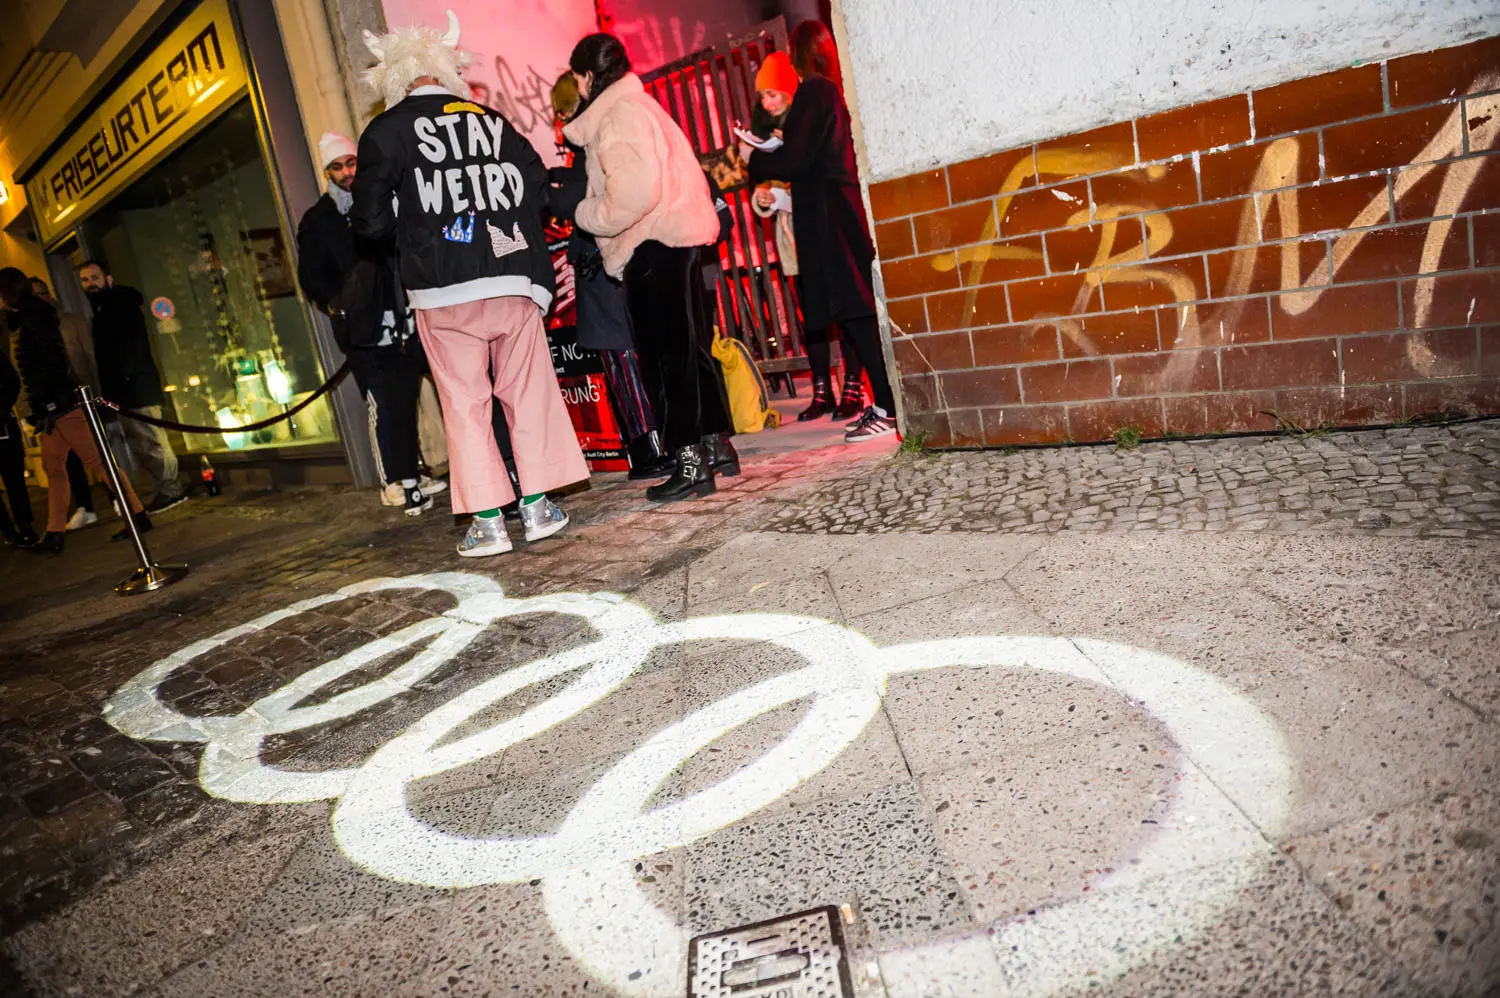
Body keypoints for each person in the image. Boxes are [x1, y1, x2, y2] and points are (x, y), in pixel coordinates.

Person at [351, 11, 587, 557]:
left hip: (443, 286)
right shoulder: (493, 120)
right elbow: (537, 190)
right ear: (447, 71)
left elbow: (370, 223)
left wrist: (407, 218)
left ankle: (487, 522)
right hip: (514, 276)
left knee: (464, 403)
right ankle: (538, 506)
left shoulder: (386, 131)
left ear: (393, 78)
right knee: (527, 395)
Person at [564, 32, 739, 503]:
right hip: (681, 237)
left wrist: (584, 214)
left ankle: (688, 463)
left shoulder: (617, 116)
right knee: (689, 349)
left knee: (665, 358)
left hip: (651, 242)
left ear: (586, 77)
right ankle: (714, 444)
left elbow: (633, 196)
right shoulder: (645, 106)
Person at [745, 22, 898, 442]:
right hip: (837, 209)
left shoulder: (814, 91)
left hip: (830, 216)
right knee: (854, 312)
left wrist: (756, 161)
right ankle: (886, 403)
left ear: (799, 53)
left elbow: (793, 158)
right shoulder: (830, 89)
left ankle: (887, 405)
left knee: (856, 311)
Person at [297, 131, 448, 517]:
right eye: (338, 166)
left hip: (400, 312)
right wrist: (340, 305)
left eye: (351, 163)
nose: (347, 172)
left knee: (404, 395)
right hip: (362, 326)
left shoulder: (382, 201)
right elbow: (312, 276)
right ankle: (391, 481)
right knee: (381, 400)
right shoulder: (318, 220)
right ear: (326, 172)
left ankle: (410, 471)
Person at [548, 72, 673, 482]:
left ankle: (650, 447)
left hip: (605, 270)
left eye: (562, 114)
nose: (559, 124)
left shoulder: (595, 146)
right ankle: (651, 446)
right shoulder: (591, 147)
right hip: (605, 273)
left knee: (627, 362)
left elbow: (582, 199)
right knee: (627, 362)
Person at [748, 52, 866, 423]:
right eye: (762, 96)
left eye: (773, 94)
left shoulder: (808, 118)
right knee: (811, 317)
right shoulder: (767, 133)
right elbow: (763, 188)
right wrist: (764, 200)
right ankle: (820, 391)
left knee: (846, 311)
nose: (767, 104)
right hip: (792, 238)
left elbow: (812, 175)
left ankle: (852, 386)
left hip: (820, 227)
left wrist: (783, 190)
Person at [0, 267, 149, 553]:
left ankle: (138, 514)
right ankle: (55, 533)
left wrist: (47, 402)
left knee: (97, 461)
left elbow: (52, 363)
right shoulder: (20, 319)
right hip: (49, 410)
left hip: (60, 406)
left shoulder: (35, 318)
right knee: (54, 468)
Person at [78, 261, 189, 508]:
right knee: (142, 444)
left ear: (108, 278)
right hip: (125, 392)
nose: (90, 284)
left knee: (151, 442)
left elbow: (133, 346)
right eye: (85, 280)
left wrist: (124, 378)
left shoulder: (120, 305)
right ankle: (165, 490)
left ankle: (172, 490)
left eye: (94, 277)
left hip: (136, 389)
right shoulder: (103, 309)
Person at [31, 276, 99, 529]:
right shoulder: (30, 328)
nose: (40, 299)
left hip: (80, 398)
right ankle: (84, 507)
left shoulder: (71, 323)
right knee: (65, 462)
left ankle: (123, 501)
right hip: (55, 406)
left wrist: (96, 395)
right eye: (34, 295)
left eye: (43, 293)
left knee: (96, 454)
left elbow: (90, 359)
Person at [0, 342, 38, 546]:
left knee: (15, 480)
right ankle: (8, 531)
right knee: (14, 480)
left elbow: (12, 382)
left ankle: (24, 527)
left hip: (3, 426)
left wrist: (2, 408)